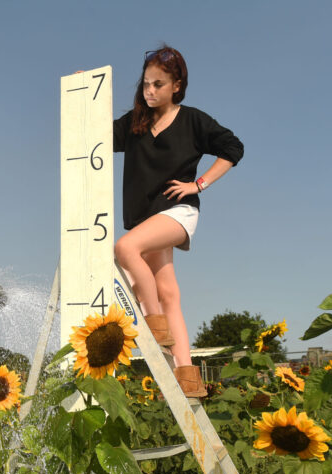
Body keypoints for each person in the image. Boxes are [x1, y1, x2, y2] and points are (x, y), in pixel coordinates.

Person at [113, 45, 243, 398]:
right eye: (145, 84)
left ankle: (154, 326)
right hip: (145, 219)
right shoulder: (135, 125)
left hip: (177, 213)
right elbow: (97, 134)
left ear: (176, 85)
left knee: (125, 249)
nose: (149, 91)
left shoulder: (193, 121)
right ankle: (188, 375)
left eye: (158, 84)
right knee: (169, 293)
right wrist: (83, 93)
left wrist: (198, 184)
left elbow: (233, 148)